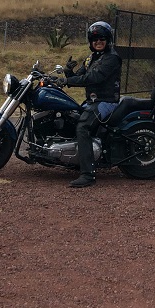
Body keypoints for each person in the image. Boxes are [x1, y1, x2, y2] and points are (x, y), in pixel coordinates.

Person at [63, 21, 121, 188]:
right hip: (93, 100)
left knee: (83, 127)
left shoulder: (112, 58)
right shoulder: (92, 58)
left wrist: (66, 80)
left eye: (102, 38)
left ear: (108, 39)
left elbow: (93, 78)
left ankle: (88, 174)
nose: (98, 42)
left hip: (106, 101)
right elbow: (80, 75)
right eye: (95, 39)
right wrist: (68, 72)